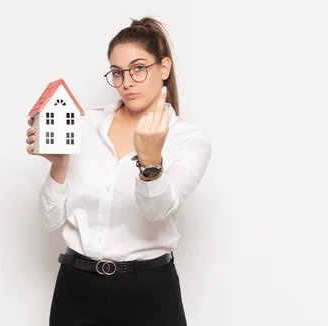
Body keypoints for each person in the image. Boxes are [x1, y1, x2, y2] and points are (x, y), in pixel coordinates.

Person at [26, 16, 211, 326]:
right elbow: (49, 220)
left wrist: (151, 163)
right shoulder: (84, 127)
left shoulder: (188, 139)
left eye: (139, 68)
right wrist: (59, 164)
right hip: (76, 288)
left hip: (150, 292)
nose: (127, 82)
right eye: (117, 72)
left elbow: (157, 211)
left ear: (163, 68)